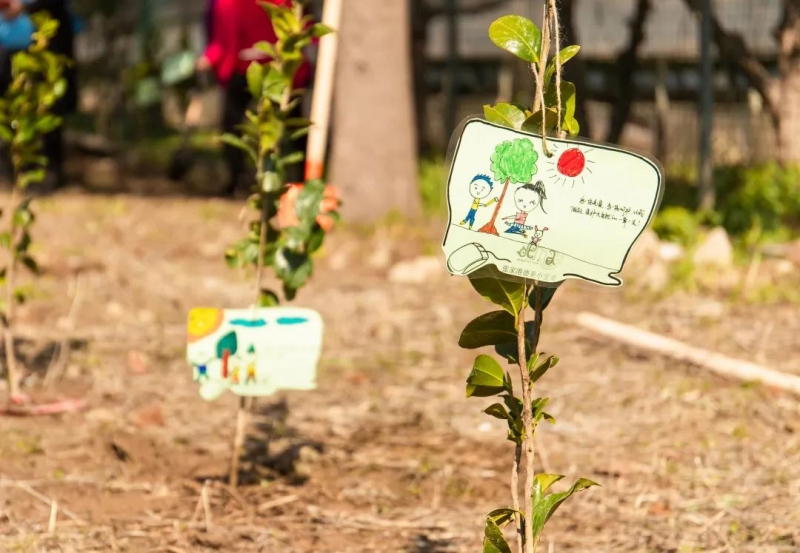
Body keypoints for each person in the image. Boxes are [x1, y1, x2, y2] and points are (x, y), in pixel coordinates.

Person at [199, 0, 313, 196]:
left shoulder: (226, 4)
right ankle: (305, 178)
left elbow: (222, 43)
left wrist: (208, 60)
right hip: (282, 70)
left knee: (233, 125)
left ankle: (236, 178)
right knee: (294, 125)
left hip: (246, 69)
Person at [0, 0, 77, 191]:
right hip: (8, 46)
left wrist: (24, 7)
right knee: (8, 109)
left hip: (46, 48)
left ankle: (50, 172)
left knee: (49, 109)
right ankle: (14, 171)